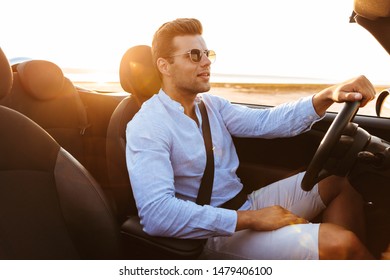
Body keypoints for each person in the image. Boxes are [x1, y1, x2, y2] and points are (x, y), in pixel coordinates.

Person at [126, 18, 377, 259]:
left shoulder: (211, 106)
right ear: (164, 66)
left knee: (342, 182)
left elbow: (266, 122)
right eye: (194, 55)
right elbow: (158, 214)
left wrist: (326, 96)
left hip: (245, 203)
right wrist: (252, 218)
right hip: (210, 234)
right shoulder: (148, 125)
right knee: (342, 244)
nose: (206, 62)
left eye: (207, 54)